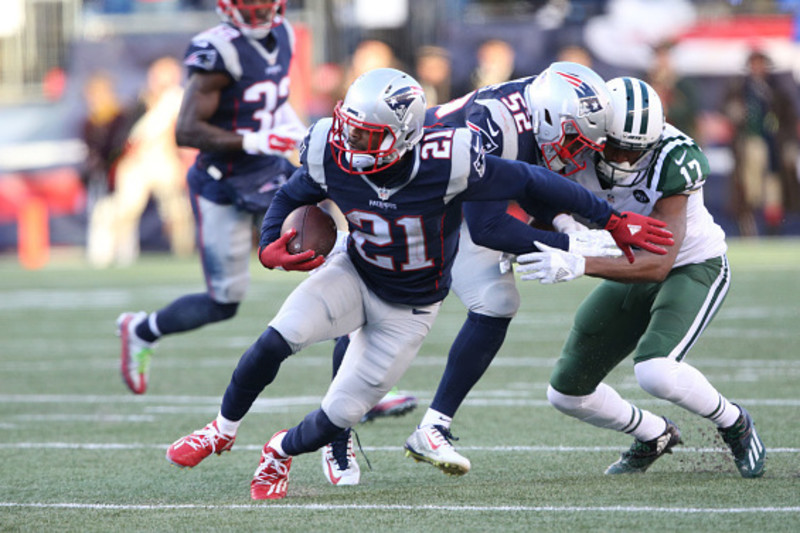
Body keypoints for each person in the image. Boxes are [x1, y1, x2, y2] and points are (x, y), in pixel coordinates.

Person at [163, 67, 673, 500]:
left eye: (364, 135)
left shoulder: (448, 160)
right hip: (356, 268)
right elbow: (292, 193)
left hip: (410, 304)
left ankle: (284, 448)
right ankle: (221, 431)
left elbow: (530, 182)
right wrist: (270, 241)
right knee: (276, 339)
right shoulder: (331, 147)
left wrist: (600, 222)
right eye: (349, 128)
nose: (350, 142)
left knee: (340, 411)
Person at [331, 61, 631, 480]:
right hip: (401, 199)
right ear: (549, 118)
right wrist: (572, 243)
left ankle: (433, 427)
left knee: (497, 301)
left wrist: (565, 222)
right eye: (575, 143)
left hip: (447, 202)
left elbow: (524, 182)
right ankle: (337, 436)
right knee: (372, 310)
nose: (577, 154)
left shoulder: (543, 107)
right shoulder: (496, 122)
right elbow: (489, 225)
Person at [517, 77, 767, 479]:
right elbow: (536, 194)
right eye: (616, 146)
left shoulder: (675, 158)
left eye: (636, 150)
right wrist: (566, 225)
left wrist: (579, 262)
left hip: (689, 264)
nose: (625, 160)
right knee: (566, 392)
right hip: (628, 261)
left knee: (655, 371)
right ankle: (653, 434)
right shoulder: (573, 142)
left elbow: (658, 264)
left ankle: (734, 422)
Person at [116, 0, 304, 394]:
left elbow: (273, 100)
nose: (259, 14)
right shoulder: (217, 49)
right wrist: (256, 138)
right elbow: (186, 131)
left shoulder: (284, 34)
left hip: (268, 171)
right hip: (222, 178)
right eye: (248, 7)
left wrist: (300, 134)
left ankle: (365, 388)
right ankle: (143, 329)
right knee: (224, 302)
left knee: (329, 263)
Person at [88, 57, 196, 268]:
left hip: (165, 159)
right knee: (126, 207)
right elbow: (128, 136)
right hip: (138, 161)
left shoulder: (178, 101)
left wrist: (185, 162)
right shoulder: (140, 101)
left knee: (178, 211)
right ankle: (109, 251)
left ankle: (183, 254)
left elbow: (184, 136)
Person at [723, 49, 799, 236]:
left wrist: (789, 144)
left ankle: (773, 228)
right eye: (754, 63)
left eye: (761, 63)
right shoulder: (740, 88)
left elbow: (788, 118)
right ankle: (748, 226)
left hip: (775, 146)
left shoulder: (775, 89)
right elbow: (727, 109)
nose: (757, 67)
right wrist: (734, 113)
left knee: (774, 189)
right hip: (750, 143)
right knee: (750, 189)